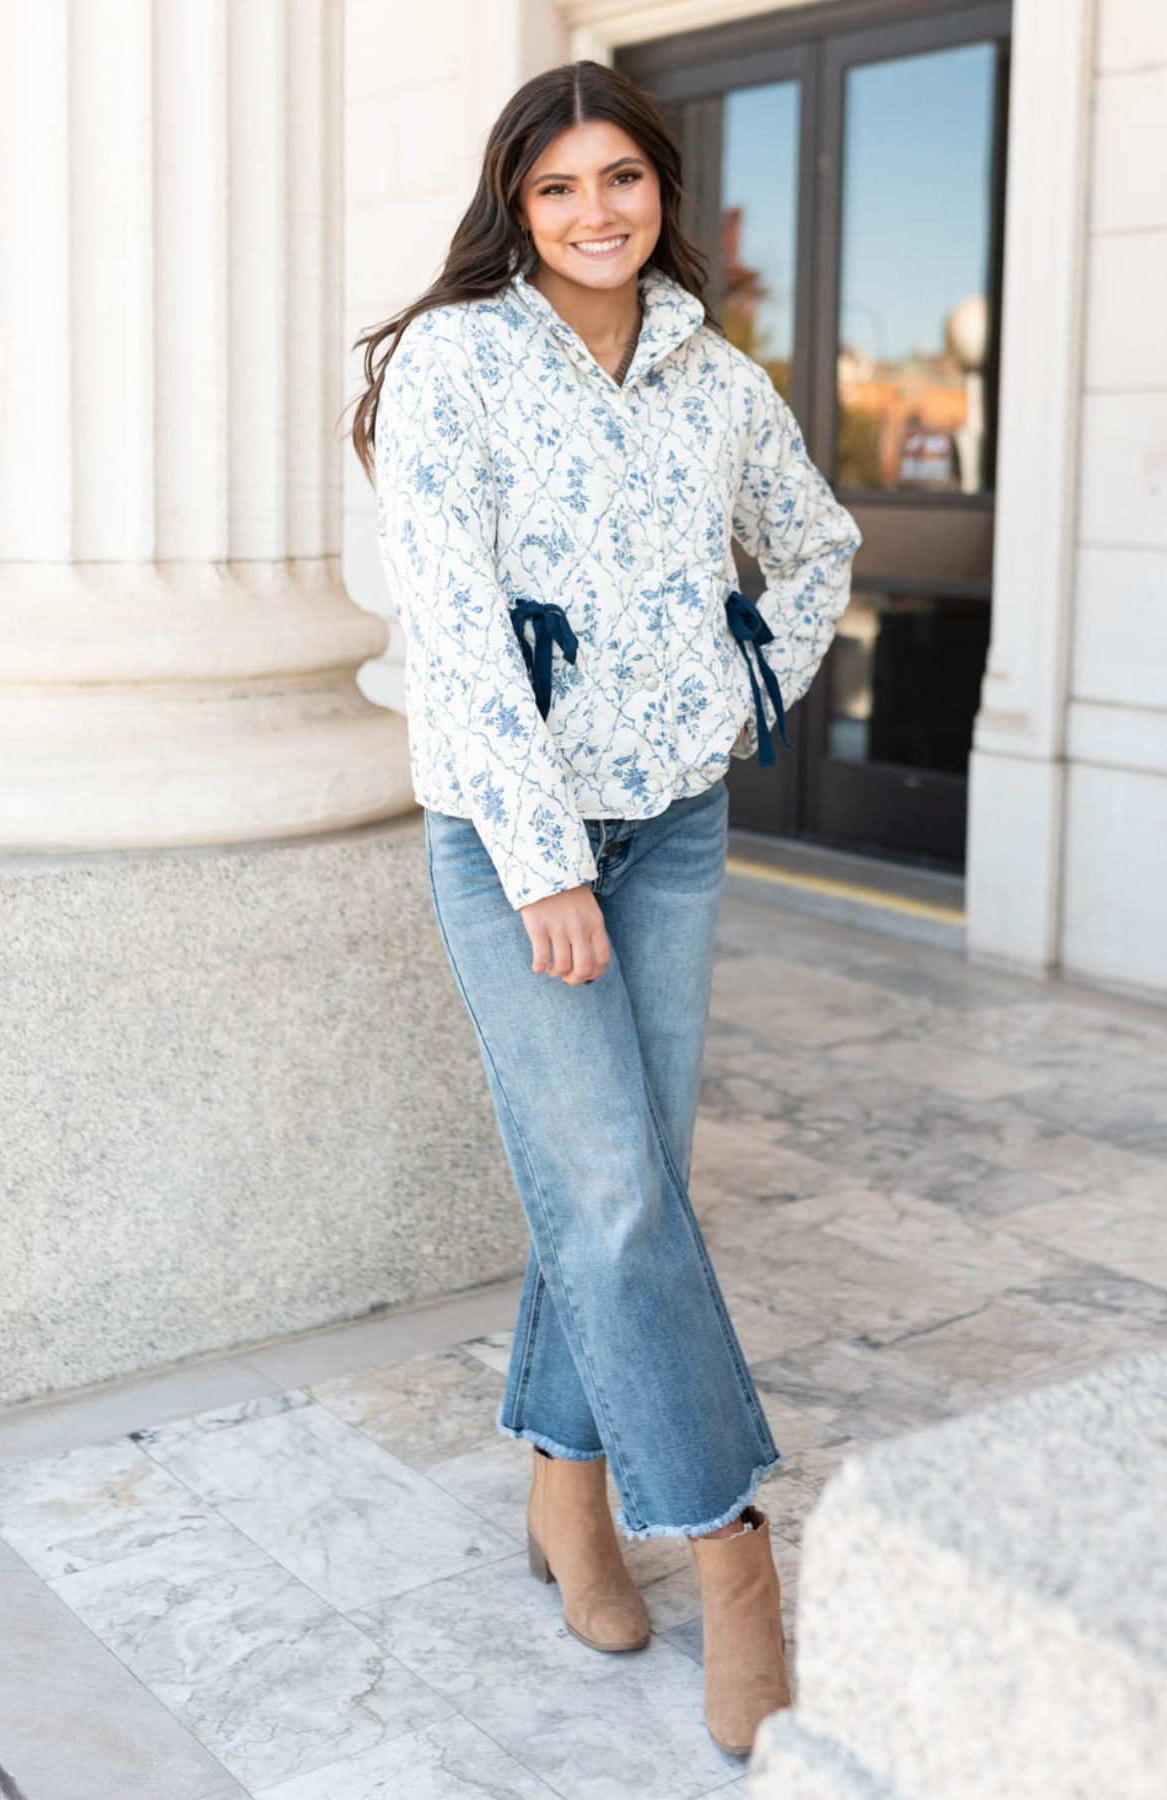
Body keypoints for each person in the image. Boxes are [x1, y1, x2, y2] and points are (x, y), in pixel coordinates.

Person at [350, 58, 860, 1759]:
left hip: (687, 827)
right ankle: (731, 1558)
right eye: (558, 186)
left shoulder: (718, 380)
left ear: (663, 190)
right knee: (617, 1197)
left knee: (626, 1185)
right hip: (521, 846)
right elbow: (452, 626)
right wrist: (542, 853)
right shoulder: (456, 361)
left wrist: (739, 693)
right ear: (517, 201)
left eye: (621, 179)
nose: (593, 213)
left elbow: (816, 548)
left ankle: (566, 1502)